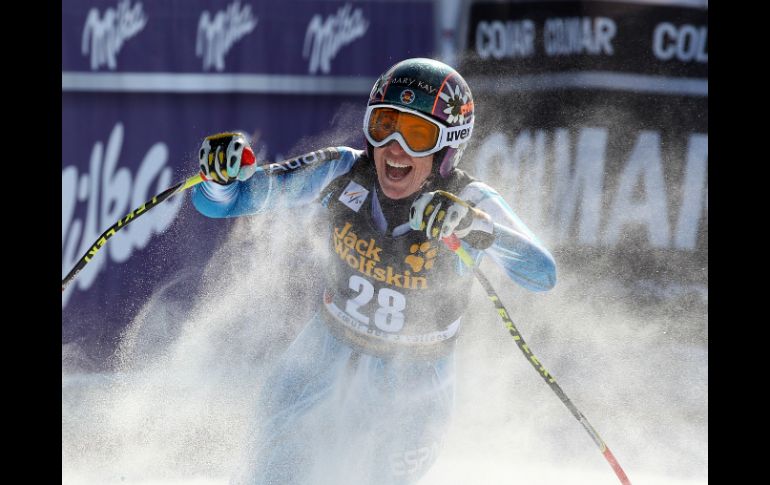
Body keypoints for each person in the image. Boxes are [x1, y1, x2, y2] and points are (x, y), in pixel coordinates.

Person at [191, 58, 556, 485]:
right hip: (323, 353)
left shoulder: (470, 199)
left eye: (417, 134)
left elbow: (542, 274)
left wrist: (479, 228)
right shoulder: (341, 170)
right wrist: (219, 179)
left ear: (448, 147)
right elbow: (228, 202)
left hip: (415, 380)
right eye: (384, 126)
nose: (395, 147)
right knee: (272, 473)